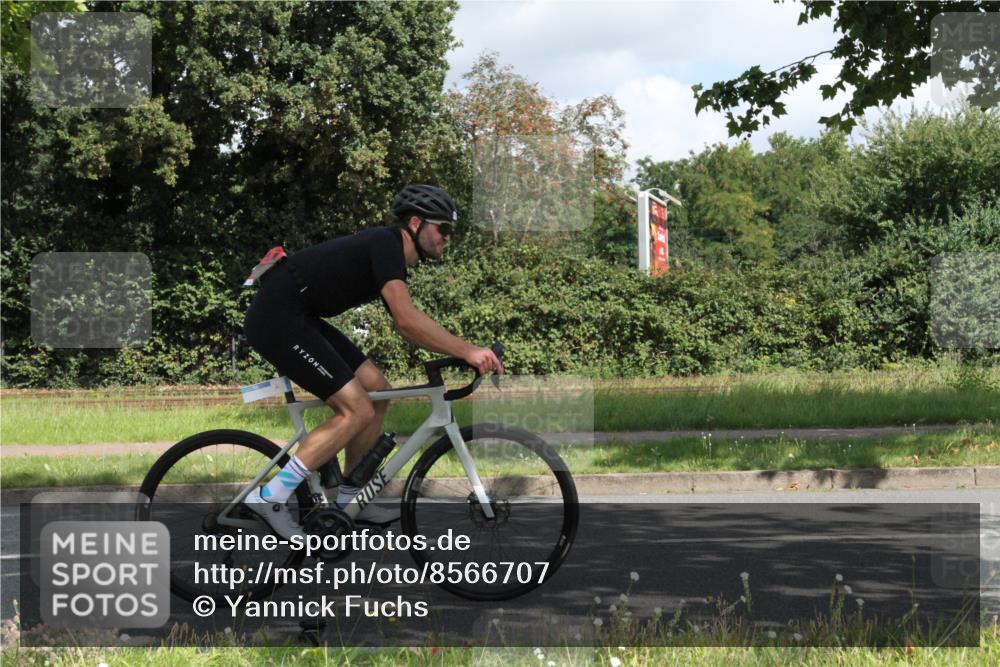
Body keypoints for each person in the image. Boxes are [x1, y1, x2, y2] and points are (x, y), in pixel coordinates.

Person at [241, 184, 504, 539]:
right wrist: (467, 350)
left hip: (299, 316)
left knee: (378, 390)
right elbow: (407, 319)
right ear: (416, 223)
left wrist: (458, 350)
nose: (447, 238)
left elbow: (407, 327)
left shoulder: (388, 252)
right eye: (443, 228)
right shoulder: (386, 243)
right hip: (278, 318)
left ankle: (351, 497)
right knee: (357, 409)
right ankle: (271, 496)